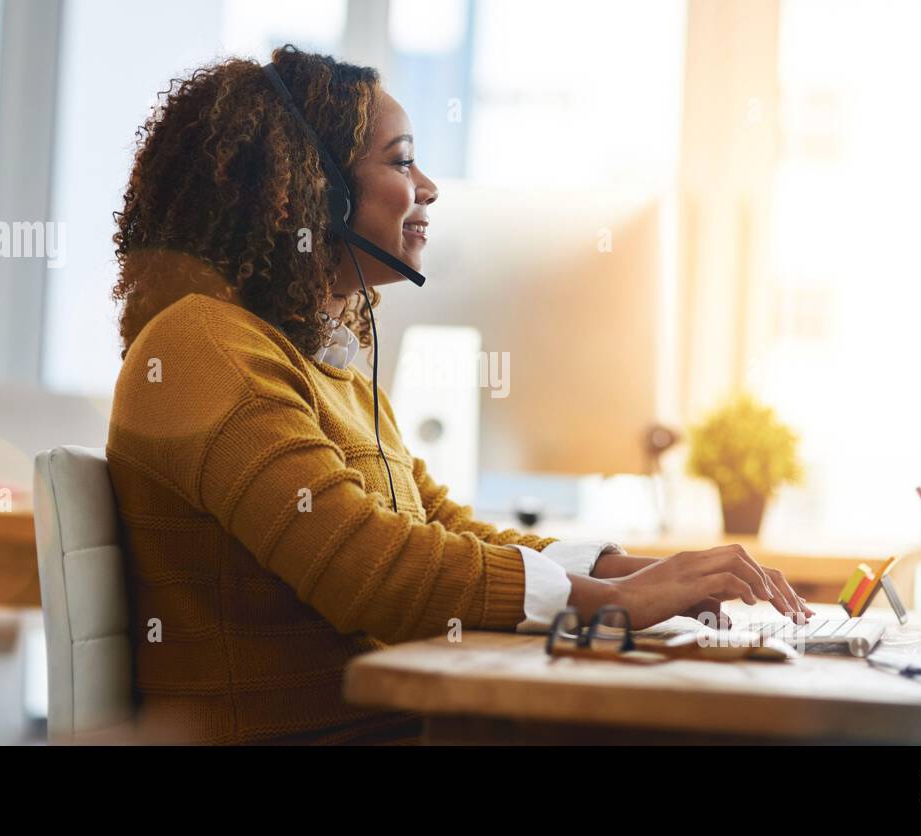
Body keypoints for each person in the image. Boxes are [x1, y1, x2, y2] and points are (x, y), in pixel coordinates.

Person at [105, 44, 814, 745]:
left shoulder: (332, 371)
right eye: (400, 159)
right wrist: (618, 604)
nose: (431, 187)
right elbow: (369, 571)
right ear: (317, 188)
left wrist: (636, 571)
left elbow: (440, 530)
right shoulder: (200, 347)